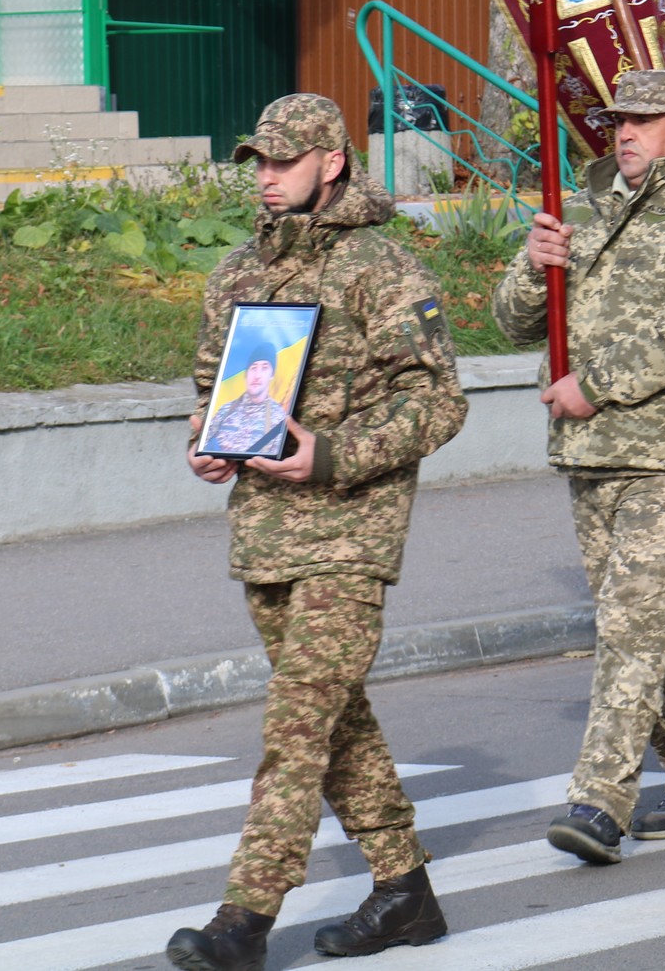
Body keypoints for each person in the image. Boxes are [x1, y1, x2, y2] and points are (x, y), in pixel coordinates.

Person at [167, 94, 469, 971]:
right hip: (265, 529)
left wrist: (335, 455)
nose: (265, 176)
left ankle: (244, 917)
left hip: (350, 526)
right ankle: (405, 888)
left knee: (297, 724)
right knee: (334, 717)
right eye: (257, 161)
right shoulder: (237, 272)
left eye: (282, 161)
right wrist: (207, 441)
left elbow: (440, 400)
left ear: (330, 162)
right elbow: (208, 385)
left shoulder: (383, 267)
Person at [491, 67, 665, 864]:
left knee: (628, 627)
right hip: (592, 452)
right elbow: (511, 323)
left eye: (645, 120)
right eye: (619, 120)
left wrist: (594, 384)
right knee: (646, 625)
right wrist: (531, 262)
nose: (626, 133)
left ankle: (600, 797)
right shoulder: (594, 202)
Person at [204, 356, 288, 457]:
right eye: (253, 368)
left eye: (264, 368)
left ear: (272, 375)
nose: (257, 375)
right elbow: (203, 446)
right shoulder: (225, 410)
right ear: (246, 374)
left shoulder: (279, 417)